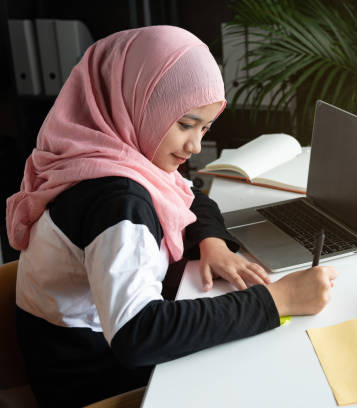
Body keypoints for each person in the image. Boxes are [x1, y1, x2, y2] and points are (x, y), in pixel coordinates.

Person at [6, 25, 338, 407]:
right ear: (138, 101)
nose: (195, 146)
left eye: (205, 128)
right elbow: (139, 335)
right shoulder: (117, 200)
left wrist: (212, 243)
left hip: (74, 354)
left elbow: (190, 198)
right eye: (185, 125)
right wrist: (276, 300)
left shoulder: (100, 152)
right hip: (92, 381)